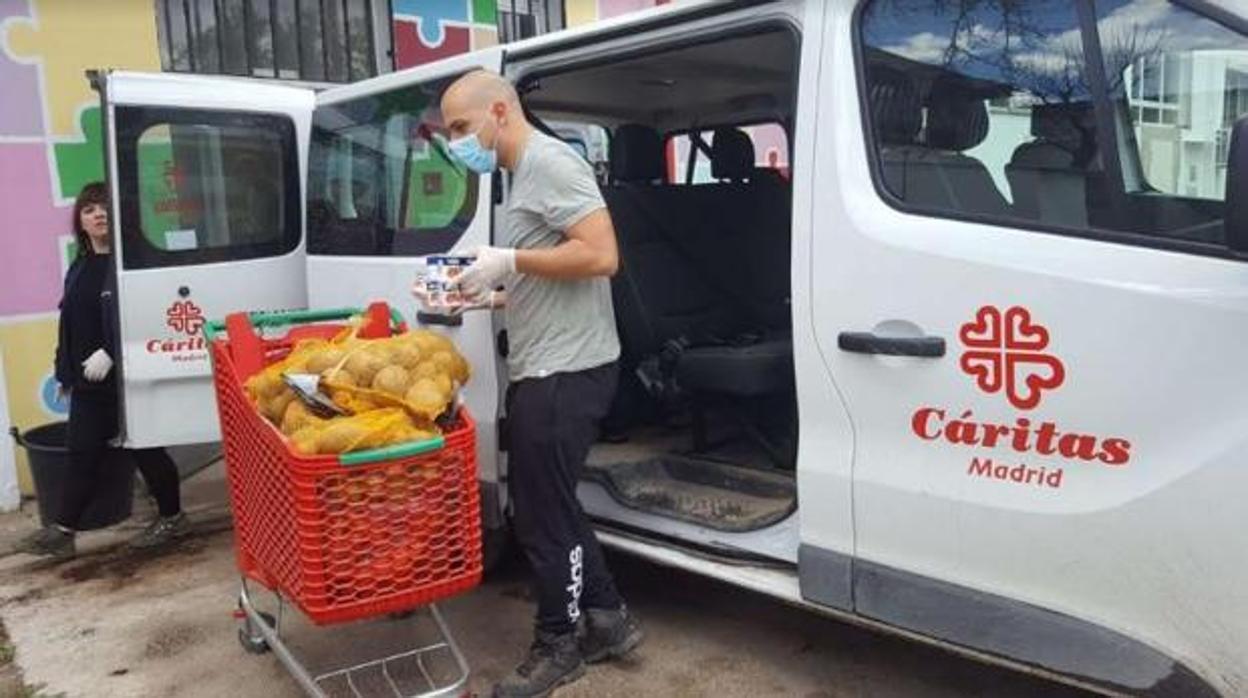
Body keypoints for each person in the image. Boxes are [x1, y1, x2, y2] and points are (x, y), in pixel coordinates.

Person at [433, 70, 643, 697]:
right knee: (552, 502)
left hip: (566, 372)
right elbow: (554, 273)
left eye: (462, 128)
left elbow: (602, 257)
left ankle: (559, 644)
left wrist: (511, 260)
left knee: (542, 518)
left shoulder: (550, 164)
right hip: (549, 364)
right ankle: (606, 620)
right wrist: (490, 295)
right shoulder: (520, 176)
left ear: (500, 110)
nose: (457, 143)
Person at [15, 182, 188, 559]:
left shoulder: (129, 266)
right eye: (90, 208)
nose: (99, 214)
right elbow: (70, 324)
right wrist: (63, 373)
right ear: (80, 220)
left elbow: (147, 316)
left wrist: (112, 352)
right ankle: (62, 531)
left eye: (105, 207)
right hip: (89, 383)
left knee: (146, 449)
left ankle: (173, 518)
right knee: (82, 452)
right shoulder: (79, 267)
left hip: (127, 379)